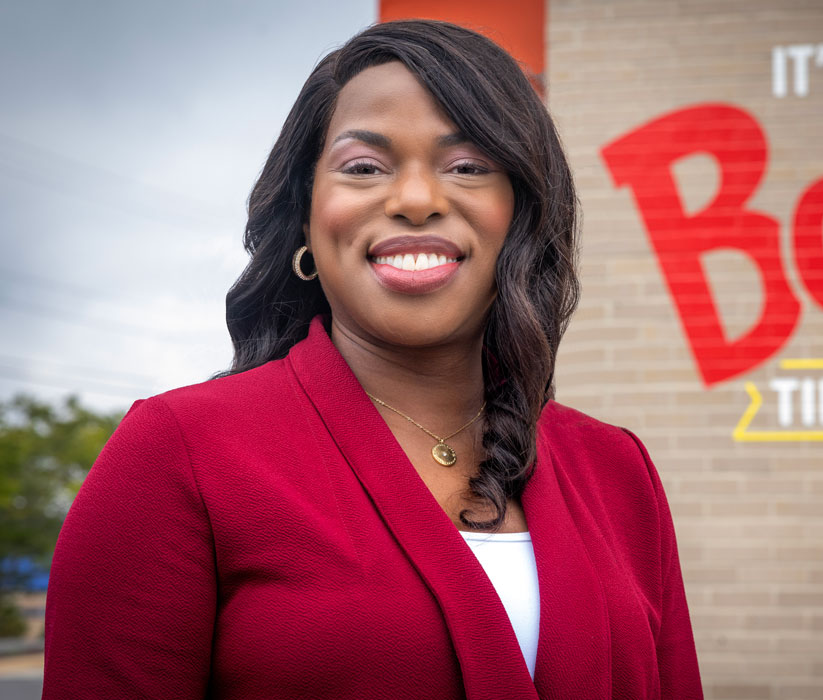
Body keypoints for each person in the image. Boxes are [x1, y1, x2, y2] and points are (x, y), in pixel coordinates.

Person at [42, 19, 702, 700]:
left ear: (522, 215)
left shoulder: (617, 469)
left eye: (468, 166)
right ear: (306, 216)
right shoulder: (177, 453)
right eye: (364, 167)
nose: (416, 200)